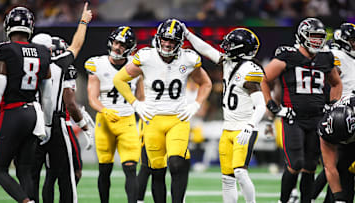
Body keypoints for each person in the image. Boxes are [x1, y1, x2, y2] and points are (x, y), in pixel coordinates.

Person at [113, 19, 212, 203]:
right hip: (152, 119)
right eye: (165, 39)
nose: (167, 44)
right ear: (158, 38)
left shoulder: (188, 58)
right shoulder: (146, 56)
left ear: (180, 43)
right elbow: (119, 79)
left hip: (178, 118)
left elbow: (206, 83)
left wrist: (196, 104)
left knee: (176, 163)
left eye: (172, 41)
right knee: (156, 170)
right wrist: (135, 103)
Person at [260, 17, 342, 203]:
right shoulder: (289, 55)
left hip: (317, 117)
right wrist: (270, 103)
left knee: (310, 166)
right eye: (313, 36)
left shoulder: (325, 58)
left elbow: (336, 83)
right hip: (293, 117)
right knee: (295, 164)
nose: (317, 41)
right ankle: (283, 199)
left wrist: (333, 104)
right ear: (302, 35)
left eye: (320, 37)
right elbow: (264, 78)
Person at [183, 23, 266, 202]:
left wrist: (250, 126)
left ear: (241, 49)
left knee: (240, 172)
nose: (226, 48)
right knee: (227, 178)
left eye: (231, 45)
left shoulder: (249, 71)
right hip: (228, 128)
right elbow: (206, 49)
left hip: (244, 128)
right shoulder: (229, 62)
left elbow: (261, 106)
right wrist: (188, 35)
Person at [0, 6, 53, 203]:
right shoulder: (43, 52)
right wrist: (47, 123)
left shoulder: (5, 50)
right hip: (33, 114)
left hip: (11, 112)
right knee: (25, 170)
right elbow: (47, 95)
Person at [31, 34, 93, 203]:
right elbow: (68, 103)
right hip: (58, 124)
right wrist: (83, 125)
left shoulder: (29, 65)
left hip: (32, 120)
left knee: (34, 175)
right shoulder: (61, 67)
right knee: (67, 174)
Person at [85, 26, 142, 203]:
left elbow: (141, 98)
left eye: (123, 45)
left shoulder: (136, 65)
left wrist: (146, 119)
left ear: (130, 48)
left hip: (128, 120)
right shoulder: (98, 64)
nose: (118, 47)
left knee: (131, 167)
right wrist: (104, 110)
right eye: (117, 42)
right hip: (105, 121)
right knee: (105, 168)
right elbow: (92, 98)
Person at [312, 23, 355, 202]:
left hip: (347, 112)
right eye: (353, 41)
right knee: (337, 164)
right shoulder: (336, 56)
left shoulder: (348, 57)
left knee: (338, 165)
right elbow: (330, 83)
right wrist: (332, 106)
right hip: (341, 115)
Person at [317, 100, 355, 203]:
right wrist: (339, 198)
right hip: (342, 147)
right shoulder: (325, 129)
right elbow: (330, 168)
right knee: (341, 169)